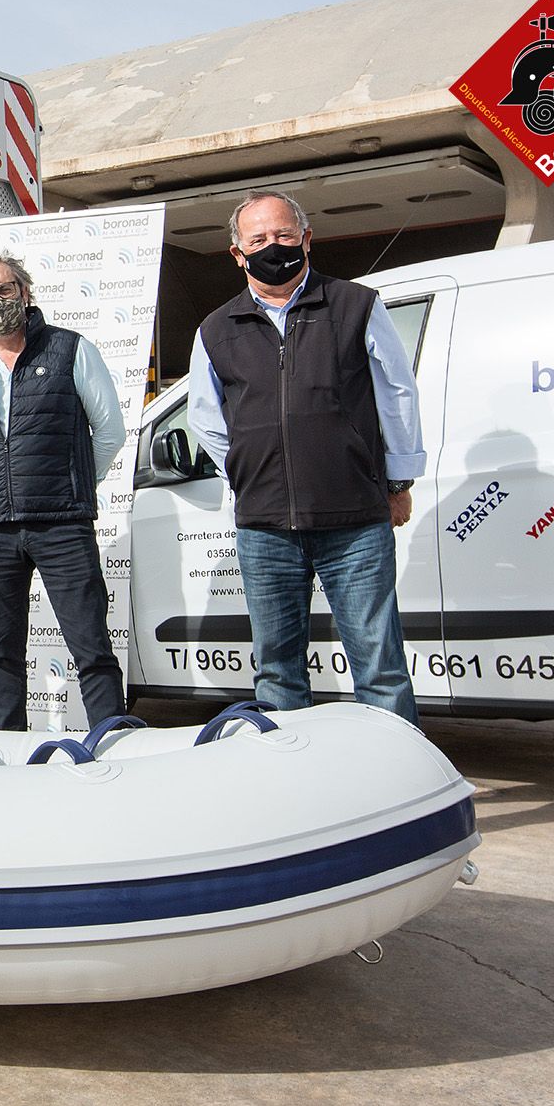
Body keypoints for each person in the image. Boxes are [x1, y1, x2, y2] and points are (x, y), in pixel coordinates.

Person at [188, 189, 425, 723]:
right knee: (277, 672)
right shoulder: (215, 329)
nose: (273, 247)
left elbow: (397, 392)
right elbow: (206, 417)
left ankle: (397, 788)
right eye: (259, 239)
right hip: (265, 527)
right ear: (237, 253)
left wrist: (398, 479)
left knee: (380, 667)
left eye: (284, 236)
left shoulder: (357, 305)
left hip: (355, 521)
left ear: (307, 240)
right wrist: (253, 466)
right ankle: (294, 786)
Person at [0, 254, 127, 730]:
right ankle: (9, 750)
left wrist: (75, 484)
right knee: (2, 654)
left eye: (5, 290)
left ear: (25, 293)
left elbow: (108, 430)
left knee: (91, 646)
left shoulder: (70, 349)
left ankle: (114, 740)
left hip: (62, 525)